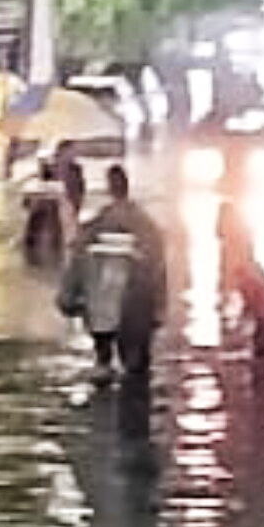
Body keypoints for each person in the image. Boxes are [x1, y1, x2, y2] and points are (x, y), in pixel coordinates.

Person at [60, 163, 169, 381]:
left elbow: (79, 259)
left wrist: (68, 296)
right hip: (137, 306)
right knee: (137, 370)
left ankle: (106, 378)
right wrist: (159, 306)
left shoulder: (98, 224)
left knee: (104, 364)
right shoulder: (146, 225)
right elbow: (157, 265)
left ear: (110, 188)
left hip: (103, 307)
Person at [217, 197, 264, 361]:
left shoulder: (240, 261)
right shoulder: (244, 255)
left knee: (261, 353)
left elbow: (253, 296)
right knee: (262, 352)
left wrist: (241, 322)